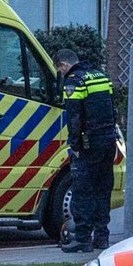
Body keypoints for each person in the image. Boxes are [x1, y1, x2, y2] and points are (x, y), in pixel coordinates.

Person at [54, 47, 117, 254]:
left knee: (82, 190)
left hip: (89, 144)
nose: (62, 74)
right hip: (108, 141)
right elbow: (112, 108)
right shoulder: (100, 76)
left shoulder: (74, 81)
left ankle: (82, 239)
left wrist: (75, 145)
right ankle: (102, 237)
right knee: (102, 188)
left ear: (64, 65)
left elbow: (74, 116)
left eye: (60, 70)